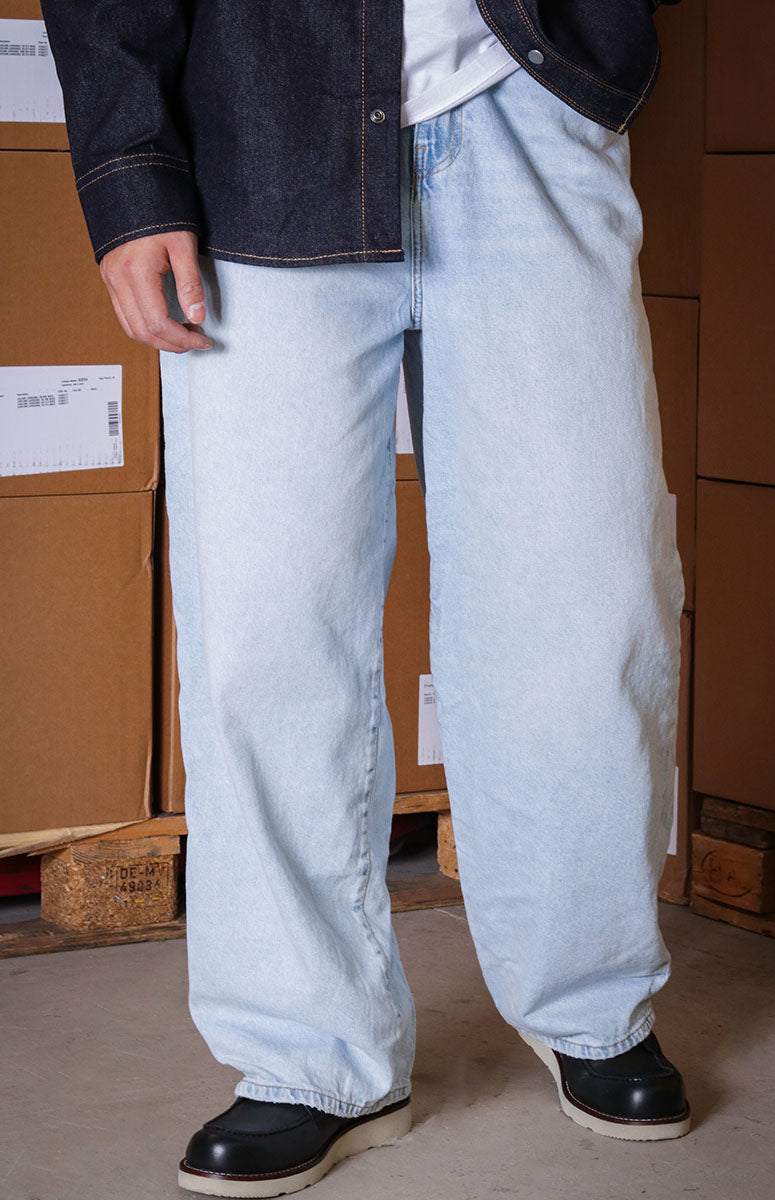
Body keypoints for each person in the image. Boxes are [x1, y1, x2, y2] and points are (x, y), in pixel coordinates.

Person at [41, 1, 691, 1195]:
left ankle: (593, 1004)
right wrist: (130, 174)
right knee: (266, 626)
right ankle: (310, 1057)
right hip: (256, 135)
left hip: (525, 108)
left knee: (586, 599)